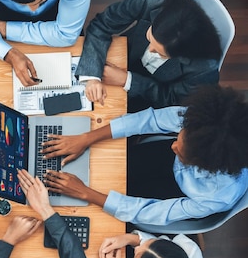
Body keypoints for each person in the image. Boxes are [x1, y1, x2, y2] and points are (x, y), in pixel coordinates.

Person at [40, 85, 248, 225]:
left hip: (176, 195)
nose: (172, 146)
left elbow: (155, 212)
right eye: (179, 138)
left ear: (205, 164)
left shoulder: (220, 195)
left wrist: (86, 193)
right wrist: (86, 138)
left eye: (183, 152)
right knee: (105, 167)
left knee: (97, 208)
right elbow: (149, 120)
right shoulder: (205, 122)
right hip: (164, 164)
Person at [76, 0, 222, 112]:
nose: (150, 50)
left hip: (147, 97)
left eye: (160, 53)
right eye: (150, 39)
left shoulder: (205, 70)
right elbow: (103, 23)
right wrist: (92, 76)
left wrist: (127, 80)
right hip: (122, 55)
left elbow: (172, 102)